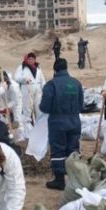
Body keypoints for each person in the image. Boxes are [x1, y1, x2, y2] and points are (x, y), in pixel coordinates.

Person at [39, 58, 84, 190]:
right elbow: (81, 104)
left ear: (55, 70)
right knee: (73, 148)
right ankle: (75, 179)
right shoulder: (76, 83)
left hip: (58, 122)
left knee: (58, 149)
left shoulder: (51, 85)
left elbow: (44, 106)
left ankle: (59, 180)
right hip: (75, 120)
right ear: (66, 68)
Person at [14, 52, 46, 124]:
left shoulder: (38, 68)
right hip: (27, 90)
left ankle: (39, 125)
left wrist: (44, 89)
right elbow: (16, 78)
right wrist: (24, 79)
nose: (31, 60)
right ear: (26, 59)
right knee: (27, 109)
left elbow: (42, 80)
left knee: (39, 108)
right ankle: (27, 128)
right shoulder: (22, 67)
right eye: (29, 59)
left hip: (38, 91)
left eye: (32, 59)